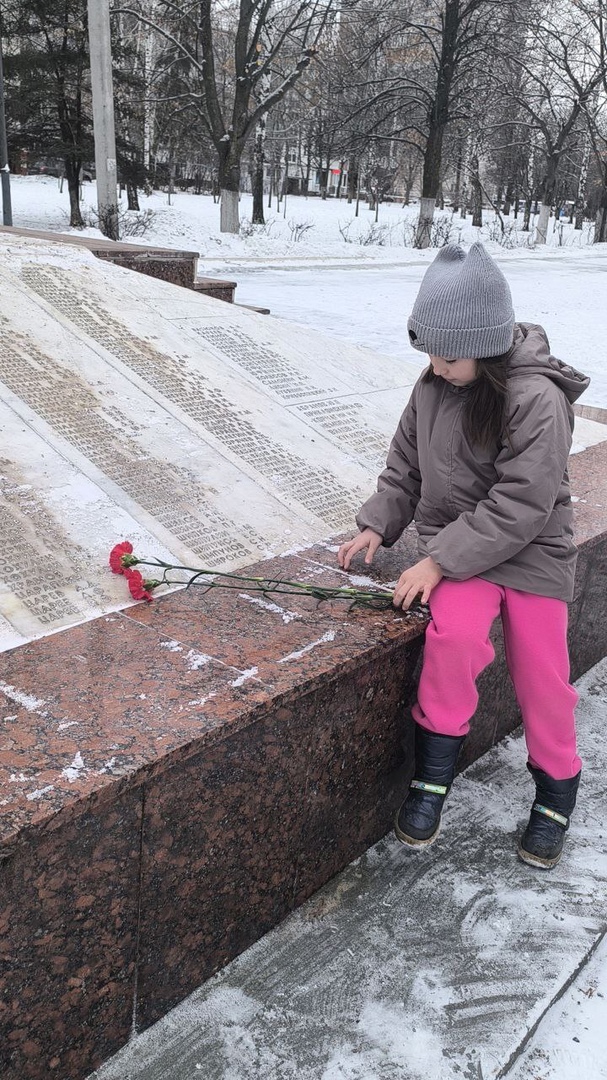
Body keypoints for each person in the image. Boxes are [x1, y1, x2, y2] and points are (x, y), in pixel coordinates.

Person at [338, 243, 589, 870]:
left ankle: (557, 786)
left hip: (530, 552)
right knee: (453, 640)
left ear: (485, 345)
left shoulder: (535, 398)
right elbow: (405, 469)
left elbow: (523, 503)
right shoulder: (433, 388)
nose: (435, 366)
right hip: (462, 553)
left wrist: (438, 561)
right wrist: (378, 524)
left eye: (448, 356)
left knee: (542, 672)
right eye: (430, 353)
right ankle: (432, 777)